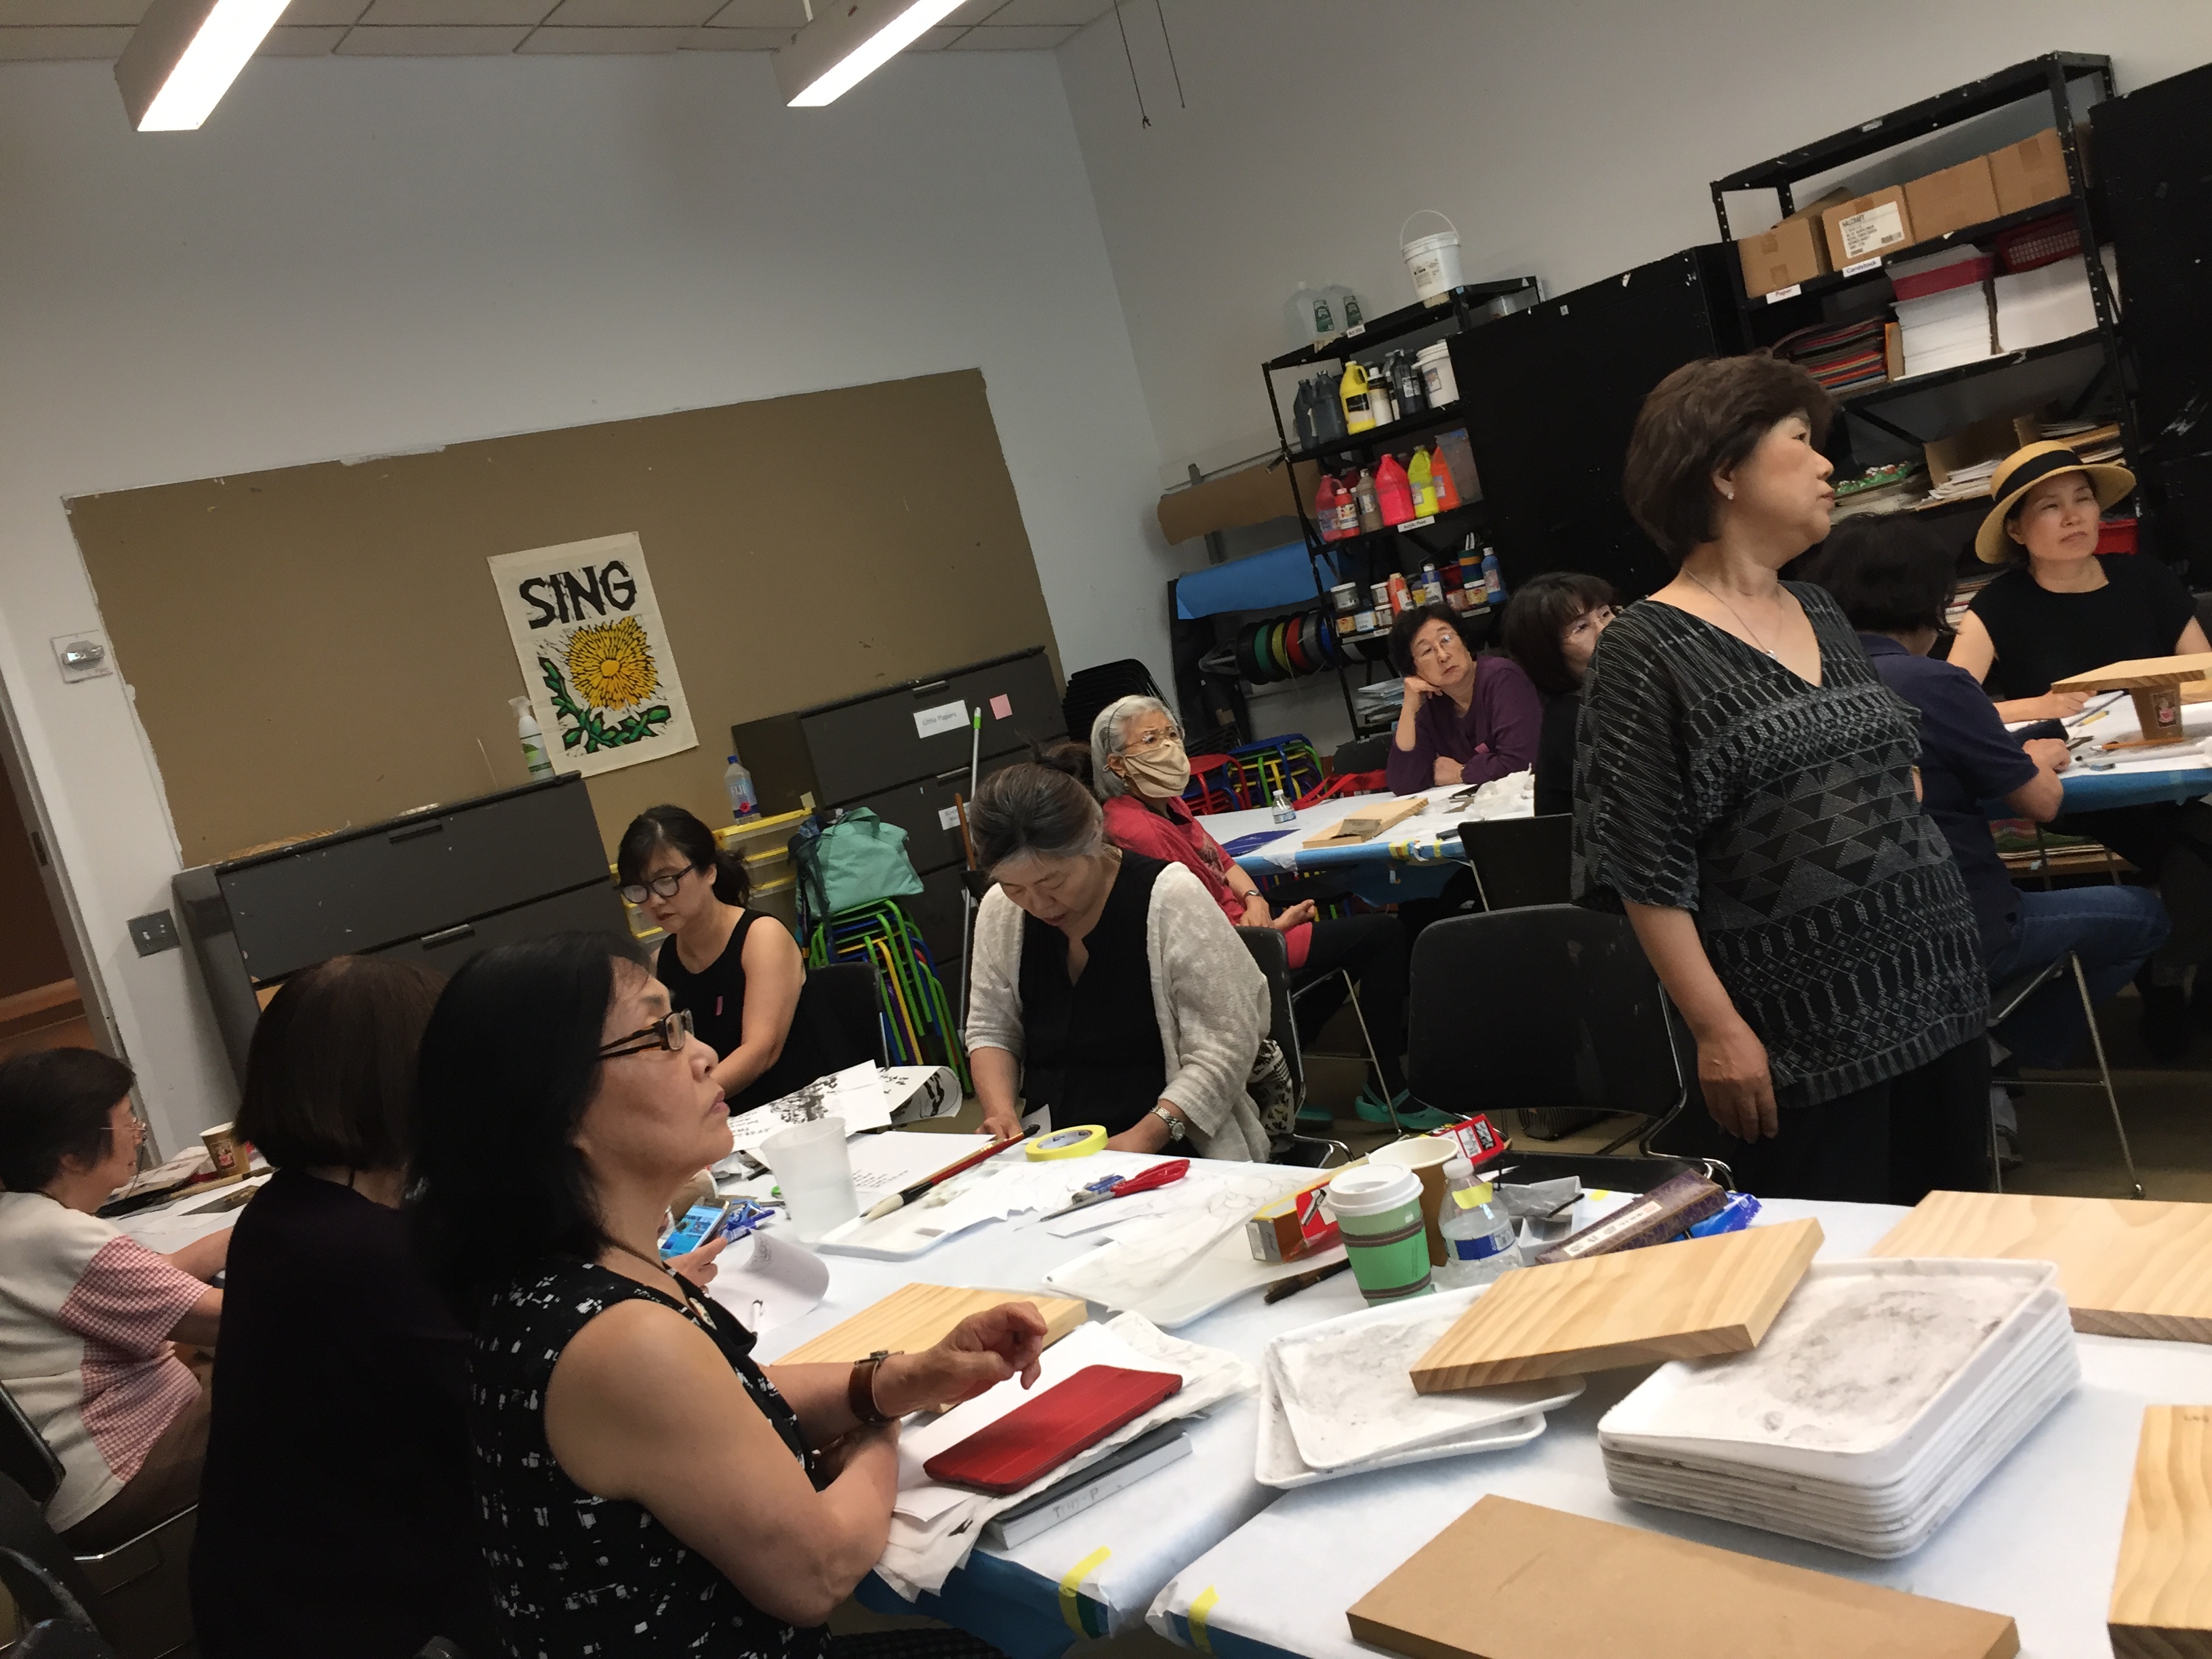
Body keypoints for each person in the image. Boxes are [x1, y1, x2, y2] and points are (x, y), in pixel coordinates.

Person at [409, 934, 1048, 1658]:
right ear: (559, 1109)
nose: (705, 1054)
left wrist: (900, 1378)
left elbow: (731, 1398)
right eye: (661, 1034)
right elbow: (820, 1568)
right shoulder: (619, 1340)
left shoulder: (566, 1277)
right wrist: (880, 1433)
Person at [1579, 354, 1990, 1204]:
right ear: (1723, 470)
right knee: (1837, 1257)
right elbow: (1643, 870)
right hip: (1807, 1029)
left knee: (1955, 1240)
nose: (1827, 466)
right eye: (1801, 440)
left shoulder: (1824, 611)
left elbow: (1897, 777)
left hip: (1937, 979)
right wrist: (1717, 1030)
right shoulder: (1644, 649)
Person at [1809, 518, 2171, 1162]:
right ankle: (1995, 1049)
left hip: (1860, 949)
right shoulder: (1934, 683)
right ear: (1934, 602)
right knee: (2144, 915)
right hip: (1967, 931)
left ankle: (1980, 1057)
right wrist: (2036, 761)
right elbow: (2042, 804)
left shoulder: (1803, 685)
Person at [190, 956, 498, 1659]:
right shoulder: (355, 1250)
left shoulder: (291, 1208)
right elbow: (522, 1409)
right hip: (371, 1617)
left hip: (280, 1599)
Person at [1948, 442, 2212, 1048]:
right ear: (2017, 530)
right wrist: (2039, 706)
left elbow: (2202, 674)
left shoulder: (2145, 578)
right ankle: (2170, 967)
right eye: (2050, 507)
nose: (2074, 517)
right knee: (2197, 840)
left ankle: (2173, 963)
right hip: (2077, 782)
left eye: (2083, 499)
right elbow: (1952, 707)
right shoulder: (1997, 605)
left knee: (2197, 834)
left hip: (2175, 759)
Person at [1087, 700, 1419, 1127]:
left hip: (1244, 928)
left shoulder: (1164, 803)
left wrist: (1254, 898)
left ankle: (1285, 1075)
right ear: (1117, 764)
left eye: (1171, 734)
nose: (1169, 747)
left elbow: (1224, 862)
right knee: (1383, 936)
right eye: (1150, 740)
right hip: (1230, 948)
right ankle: (1384, 1087)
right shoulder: (1139, 829)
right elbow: (1194, 926)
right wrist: (1272, 931)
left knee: (1354, 948)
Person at [964, 756, 1273, 1158]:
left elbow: (1227, 1044)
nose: (1037, 904)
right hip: (1052, 1147)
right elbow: (991, 1028)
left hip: (1173, 1140)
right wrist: (1001, 1112)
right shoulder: (1001, 911)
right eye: (1015, 887)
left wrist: (1146, 1136)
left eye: (1053, 881)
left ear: (1094, 837)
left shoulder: (1171, 899)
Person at [0, 1049, 226, 1549]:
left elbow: (155, 1281)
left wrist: (250, 1228)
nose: (137, 1134)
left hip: (72, 1482)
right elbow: (225, 1321)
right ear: (72, 1153)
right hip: (122, 1471)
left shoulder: (16, 1223)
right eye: (126, 1121)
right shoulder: (58, 1236)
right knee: (306, 1375)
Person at [617, 803, 832, 1113]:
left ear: (709, 871)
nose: (654, 901)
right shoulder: (659, 964)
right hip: (723, 1118)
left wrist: (687, 1106)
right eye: (638, 889)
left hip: (799, 1108)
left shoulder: (761, 936)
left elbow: (761, 1052)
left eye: (666, 881)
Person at [1385, 604, 1544, 798]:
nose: (1443, 656)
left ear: (1463, 640)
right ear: (1414, 670)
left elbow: (1521, 763)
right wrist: (1409, 708)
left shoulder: (1502, 678)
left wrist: (1461, 772)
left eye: (1446, 639)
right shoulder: (1432, 703)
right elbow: (1403, 784)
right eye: (1427, 651)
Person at [1499, 573, 1617, 817]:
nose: (1605, 630)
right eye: (1581, 627)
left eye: (1605, 613)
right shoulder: (1574, 718)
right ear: (1547, 653)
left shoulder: (1612, 695)